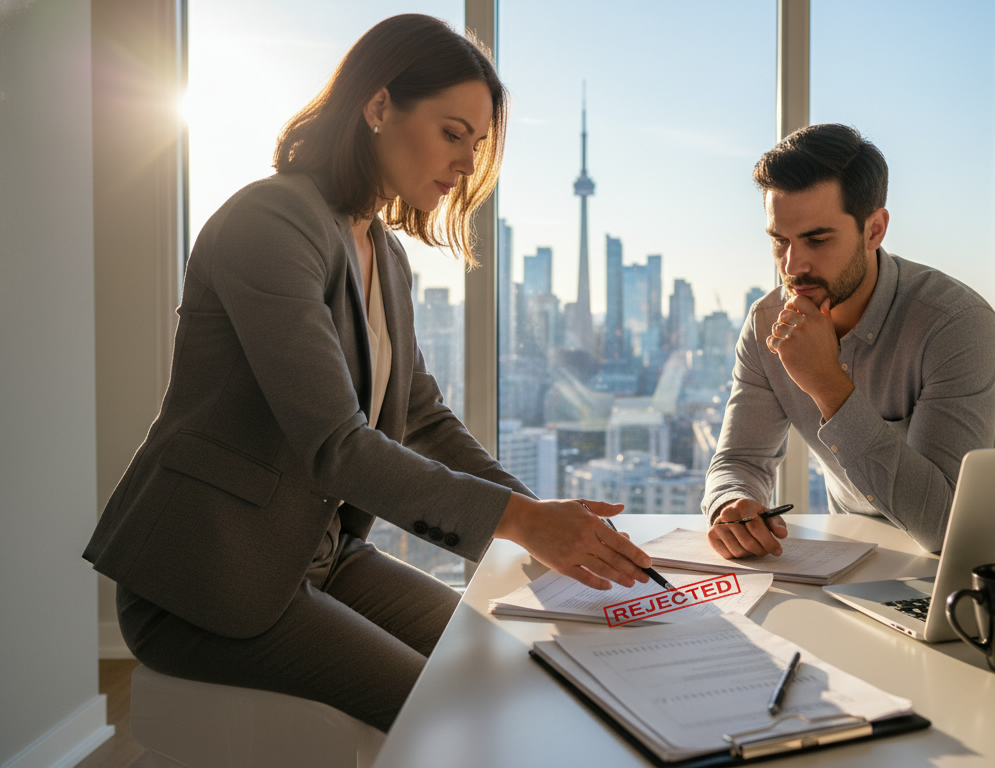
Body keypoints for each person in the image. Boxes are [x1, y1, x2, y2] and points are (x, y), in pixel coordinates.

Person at [81, 14, 653, 733]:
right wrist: (523, 523)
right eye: (453, 133)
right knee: (449, 709)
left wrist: (539, 519)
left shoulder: (384, 255)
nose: (466, 165)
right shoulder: (271, 223)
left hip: (320, 557)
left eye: (476, 147)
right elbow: (336, 446)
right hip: (207, 577)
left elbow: (422, 418)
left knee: (511, 666)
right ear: (378, 106)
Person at [703, 124, 995, 557]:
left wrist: (827, 384)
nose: (793, 265)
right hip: (846, 560)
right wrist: (731, 505)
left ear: (874, 230)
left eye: (817, 239)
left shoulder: (956, 324)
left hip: (957, 565)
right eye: (779, 241)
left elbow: (945, 525)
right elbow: (739, 462)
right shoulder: (767, 321)